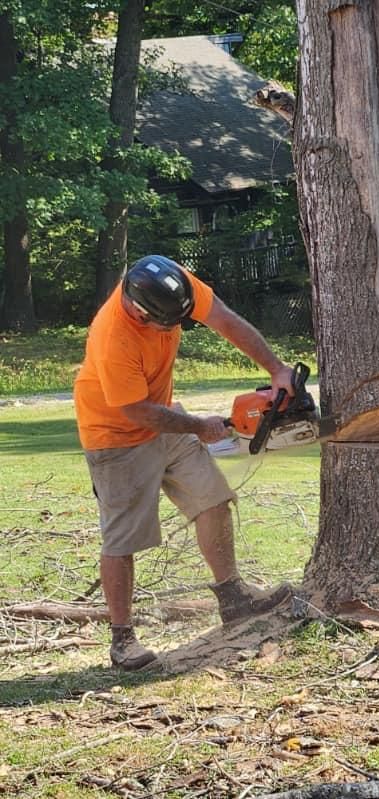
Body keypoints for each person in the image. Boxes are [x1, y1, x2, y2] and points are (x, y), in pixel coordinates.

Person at [74, 254, 294, 671]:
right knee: (122, 539)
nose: (177, 328)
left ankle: (233, 597)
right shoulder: (114, 336)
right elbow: (135, 412)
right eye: (169, 323)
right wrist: (197, 425)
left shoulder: (172, 285)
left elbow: (225, 319)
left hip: (163, 417)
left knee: (211, 499)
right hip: (116, 436)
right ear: (139, 312)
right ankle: (122, 638)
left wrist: (276, 368)